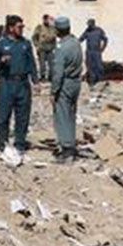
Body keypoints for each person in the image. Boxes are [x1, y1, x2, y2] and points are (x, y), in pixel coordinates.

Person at [0, 14, 36, 165]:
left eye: (22, 27)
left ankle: (20, 144)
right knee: (4, 115)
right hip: (7, 83)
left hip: (23, 84)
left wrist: (35, 79)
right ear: (11, 28)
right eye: (19, 27)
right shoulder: (1, 44)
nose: (22, 29)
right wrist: (1, 61)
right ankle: (1, 143)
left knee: (23, 116)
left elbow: (31, 63)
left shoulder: (26, 44)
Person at [50, 16, 83, 163]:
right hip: (76, 82)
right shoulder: (76, 43)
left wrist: (53, 91)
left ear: (58, 30)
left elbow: (58, 73)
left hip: (65, 83)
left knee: (62, 115)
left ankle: (67, 149)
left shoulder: (62, 48)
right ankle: (71, 144)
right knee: (71, 114)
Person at [79, 19, 108, 85]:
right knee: (90, 66)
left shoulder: (99, 30)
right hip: (89, 51)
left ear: (93, 24)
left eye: (90, 25)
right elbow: (81, 38)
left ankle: (100, 81)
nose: (89, 26)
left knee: (98, 66)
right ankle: (92, 82)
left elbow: (105, 39)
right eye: (88, 25)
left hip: (97, 51)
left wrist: (102, 48)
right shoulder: (87, 31)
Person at [31, 14, 57, 84]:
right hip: (42, 48)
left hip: (50, 48)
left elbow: (56, 35)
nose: (46, 20)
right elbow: (34, 37)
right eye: (45, 19)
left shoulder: (52, 28)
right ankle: (43, 77)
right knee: (42, 65)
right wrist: (37, 45)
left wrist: (54, 21)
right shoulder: (39, 27)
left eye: (47, 19)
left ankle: (51, 77)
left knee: (52, 64)